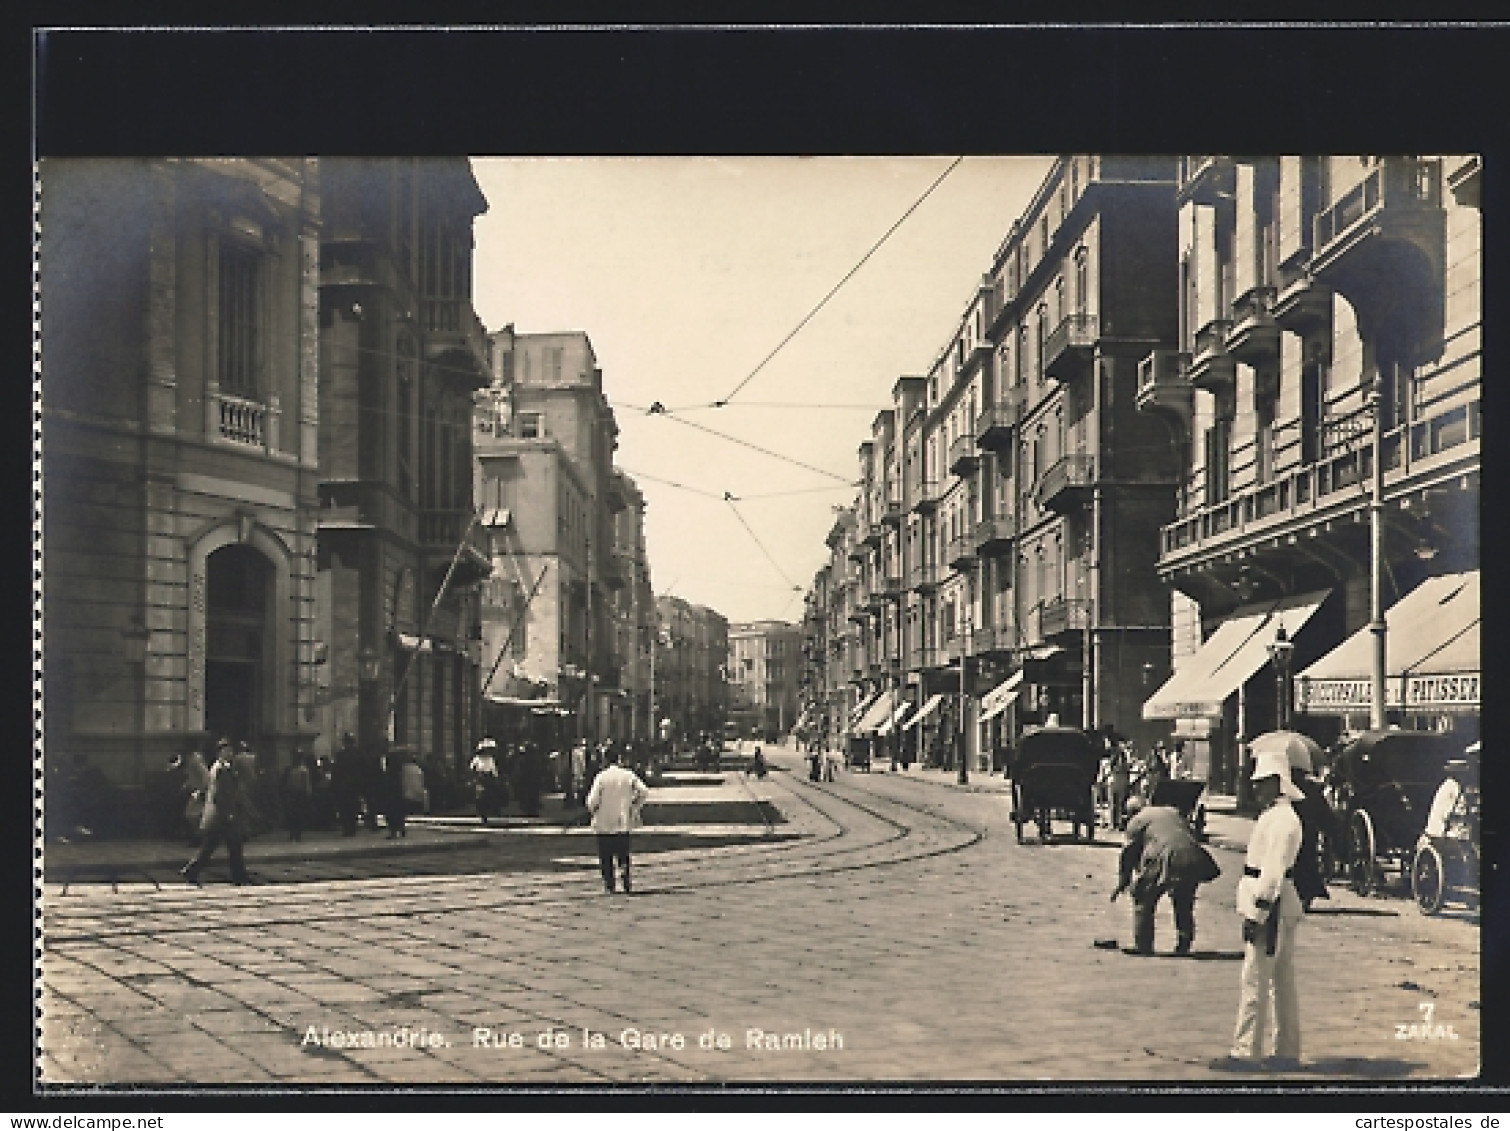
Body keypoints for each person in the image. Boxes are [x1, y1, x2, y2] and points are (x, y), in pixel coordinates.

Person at [1212, 749, 1305, 1071]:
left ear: (1277, 783)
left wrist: (1258, 914)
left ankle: (1245, 1051)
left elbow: (1273, 872)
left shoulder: (1281, 820)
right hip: (1280, 903)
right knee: (1282, 981)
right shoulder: (1279, 816)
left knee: (1255, 979)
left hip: (1272, 906)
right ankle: (1287, 1050)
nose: (1256, 788)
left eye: (1262, 782)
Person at [1113, 794, 1221, 955]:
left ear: (1131, 812)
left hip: (1166, 856)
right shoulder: (1173, 812)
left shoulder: (1137, 821)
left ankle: (1143, 945)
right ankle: (1184, 944)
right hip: (1193, 856)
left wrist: (1123, 880)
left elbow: (1128, 854)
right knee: (1184, 901)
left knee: (1142, 896)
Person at [181, 739, 251, 885]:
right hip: (222, 815)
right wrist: (229, 813)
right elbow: (220, 794)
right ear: (220, 752)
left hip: (220, 815)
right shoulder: (220, 769)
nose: (230, 753)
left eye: (231, 750)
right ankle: (239, 877)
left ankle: (239, 877)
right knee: (228, 846)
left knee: (222, 846)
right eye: (227, 751)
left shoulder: (223, 767)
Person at [586, 745, 650, 894]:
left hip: (604, 821)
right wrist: (634, 806)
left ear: (606, 759)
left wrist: (593, 809)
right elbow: (644, 791)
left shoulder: (601, 776)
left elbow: (592, 800)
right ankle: (625, 874)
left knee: (606, 855)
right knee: (623, 852)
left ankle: (610, 884)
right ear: (619, 759)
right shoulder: (628, 775)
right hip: (623, 820)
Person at [332, 732, 362, 836]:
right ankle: (351, 828)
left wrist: (334, 785)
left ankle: (347, 828)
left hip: (343, 786)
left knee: (344, 808)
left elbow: (336, 771)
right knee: (352, 807)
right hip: (353, 785)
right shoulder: (358, 754)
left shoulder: (341, 754)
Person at [281, 750, 313, 842]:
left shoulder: (303, 770)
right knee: (292, 814)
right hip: (292, 793)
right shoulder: (290, 769)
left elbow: (306, 783)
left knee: (298, 814)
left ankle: (297, 833)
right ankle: (292, 833)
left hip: (299, 794)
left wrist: (308, 793)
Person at [470, 738, 501, 824]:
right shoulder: (477, 759)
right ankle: (482, 813)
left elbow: (493, 769)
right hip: (480, 778)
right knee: (480, 796)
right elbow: (472, 767)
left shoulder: (490, 759)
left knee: (489, 795)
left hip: (488, 778)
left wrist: (495, 776)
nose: (486, 752)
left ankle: (488, 811)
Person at [1106, 742, 1132, 832]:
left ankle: (1118, 823)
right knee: (1113, 803)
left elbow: (1127, 768)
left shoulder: (1125, 759)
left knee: (1120, 803)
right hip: (1116, 779)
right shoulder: (1115, 759)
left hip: (1119, 779)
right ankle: (1113, 823)